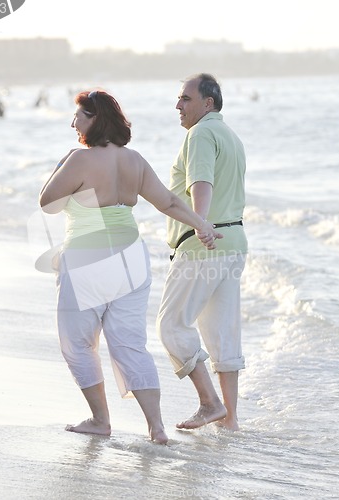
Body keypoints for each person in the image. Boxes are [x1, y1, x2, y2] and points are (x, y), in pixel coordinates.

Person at [39, 89, 222, 444]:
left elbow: (47, 202)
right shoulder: (135, 160)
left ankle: (100, 419)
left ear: (95, 120)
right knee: (129, 345)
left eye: (79, 115)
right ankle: (156, 427)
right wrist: (201, 225)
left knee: (77, 343)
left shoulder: (79, 159)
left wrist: (64, 162)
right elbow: (168, 201)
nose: (73, 121)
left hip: (87, 261)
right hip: (131, 260)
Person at [156, 73, 248, 431]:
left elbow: (202, 183)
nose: (178, 105)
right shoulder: (231, 136)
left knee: (170, 326)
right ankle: (231, 422)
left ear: (208, 102)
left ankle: (210, 404)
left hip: (203, 246)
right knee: (222, 334)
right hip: (233, 245)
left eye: (185, 99)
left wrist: (200, 223)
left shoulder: (201, 133)